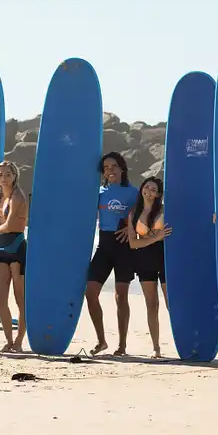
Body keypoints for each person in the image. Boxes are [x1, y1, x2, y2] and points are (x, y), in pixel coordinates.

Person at [86, 152, 139, 356]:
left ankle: (122, 345)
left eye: (113, 166)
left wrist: (130, 227)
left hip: (124, 247)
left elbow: (146, 211)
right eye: (106, 167)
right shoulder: (98, 192)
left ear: (122, 168)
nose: (110, 170)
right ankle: (102, 341)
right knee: (90, 293)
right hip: (104, 245)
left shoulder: (133, 192)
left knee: (121, 296)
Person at [0, 160, 28, 352]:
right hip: (0, 250)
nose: (4, 177)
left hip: (17, 248)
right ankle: (8, 341)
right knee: (1, 299)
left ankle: (19, 341)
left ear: (15, 176)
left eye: (8, 174)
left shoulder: (18, 197)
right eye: (0, 174)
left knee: (20, 300)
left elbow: (9, 226)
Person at [125, 176, 172, 359]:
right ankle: (156, 347)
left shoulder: (164, 210)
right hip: (144, 260)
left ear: (158, 194)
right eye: (147, 187)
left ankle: (183, 340)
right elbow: (132, 243)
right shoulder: (134, 214)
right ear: (142, 188)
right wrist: (154, 238)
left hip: (165, 258)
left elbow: (173, 231)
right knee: (151, 304)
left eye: (154, 189)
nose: (149, 191)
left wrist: (148, 239)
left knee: (171, 303)